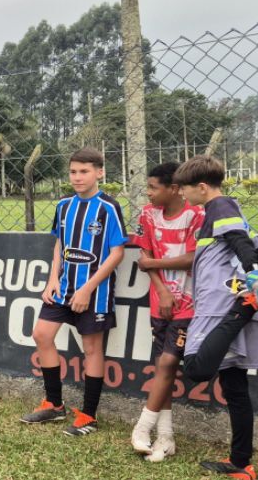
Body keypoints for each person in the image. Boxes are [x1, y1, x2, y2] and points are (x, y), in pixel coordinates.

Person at [174, 156, 258, 480]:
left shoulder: (220, 206)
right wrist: (251, 267)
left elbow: (244, 246)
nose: (182, 196)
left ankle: (246, 307)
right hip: (229, 302)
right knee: (235, 386)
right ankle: (241, 462)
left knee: (196, 368)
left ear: (202, 187)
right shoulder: (231, 210)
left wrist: (254, 281)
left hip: (222, 307)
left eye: (184, 190)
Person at [21, 147, 127, 435]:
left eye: (84, 171)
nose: (78, 177)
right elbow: (59, 244)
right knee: (41, 335)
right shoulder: (64, 205)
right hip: (63, 287)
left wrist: (87, 289)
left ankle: (89, 415)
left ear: (99, 173)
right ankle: (54, 404)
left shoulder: (108, 207)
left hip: (94, 292)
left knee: (91, 348)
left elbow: (117, 253)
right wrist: (52, 279)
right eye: (73, 172)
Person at [129, 163, 203, 462]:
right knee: (163, 366)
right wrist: (160, 290)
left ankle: (142, 426)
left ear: (174, 189)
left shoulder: (196, 216)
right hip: (160, 301)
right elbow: (143, 253)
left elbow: (192, 259)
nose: (148, 192)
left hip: (189, 302)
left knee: (170, 360)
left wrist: (154, 265)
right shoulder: (148, 214)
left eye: (153, 187)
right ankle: (166, 438)